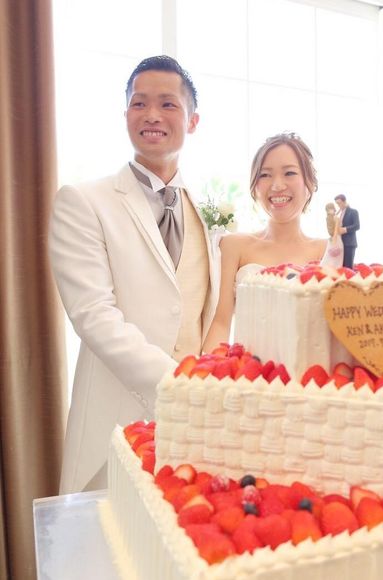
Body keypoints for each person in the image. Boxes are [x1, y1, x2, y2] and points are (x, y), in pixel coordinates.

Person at [49, 56, 219, 494]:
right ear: (125, 114)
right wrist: (177, 386)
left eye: (168, 104)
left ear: (193, 120)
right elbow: (93, 314)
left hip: (192, 437)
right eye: (139, 103)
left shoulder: (207, 212)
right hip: (113, 431)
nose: (152, 115)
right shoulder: (83, 201)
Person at [202, 132, 327, 353]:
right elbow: (220, 323)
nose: (277, 185)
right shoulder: (233, 246)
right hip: (247, 370)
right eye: (265, 175)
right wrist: (212, 370)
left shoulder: (326, 250)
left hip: (308, 370)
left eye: (289, 173)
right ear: (254, 187)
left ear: (309, 184)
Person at [334, 194, 360, 269]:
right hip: (341, 243)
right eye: (337, 204)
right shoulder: (340, 213)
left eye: (339, 203)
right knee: (342, 267)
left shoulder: (353, 212)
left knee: (348, 268)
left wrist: (344, 229)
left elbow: (357, 226)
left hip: (349, 244)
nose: (338, 205)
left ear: (344, 201)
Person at [321, 201, 344, 269]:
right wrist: (334, 238)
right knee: (333, 253)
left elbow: (335, 229)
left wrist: (334, 238)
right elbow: (336, 228)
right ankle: (333, 267)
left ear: (333, 209)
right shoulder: (332, 217)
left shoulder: (332, 217)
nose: (330, 211)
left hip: (334, 237)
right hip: (334, 237)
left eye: (331, 209)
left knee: (333, 254)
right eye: (328, 210)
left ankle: (332, 267)